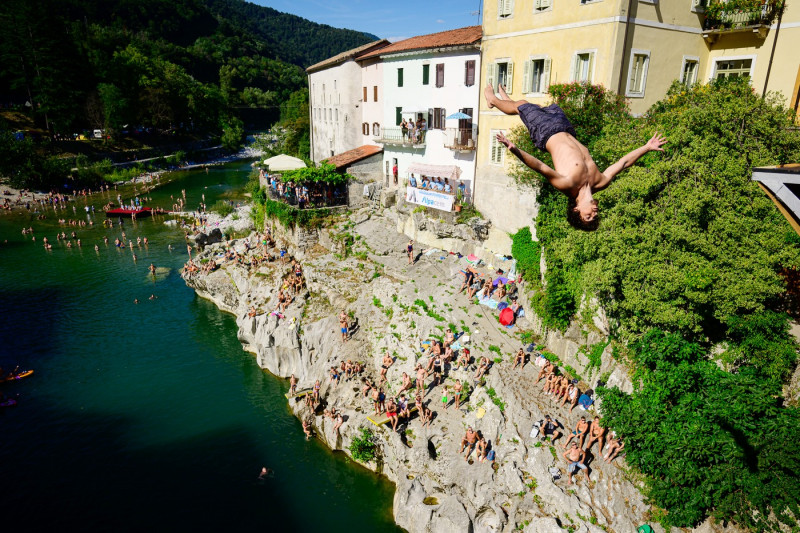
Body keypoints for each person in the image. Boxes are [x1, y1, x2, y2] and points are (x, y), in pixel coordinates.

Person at [486, 84, 667, 231]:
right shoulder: (601, 182)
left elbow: (540, 167)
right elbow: (624, 163)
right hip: (565, 128)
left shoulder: (567, 184)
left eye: (588, 216)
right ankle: (506, 100)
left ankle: (492, 99)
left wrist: (515, 149)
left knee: (522, 106)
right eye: (594, 216)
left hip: (546, 133)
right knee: (529, 106)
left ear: (576, 209)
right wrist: (646, 147)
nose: (594, 213)